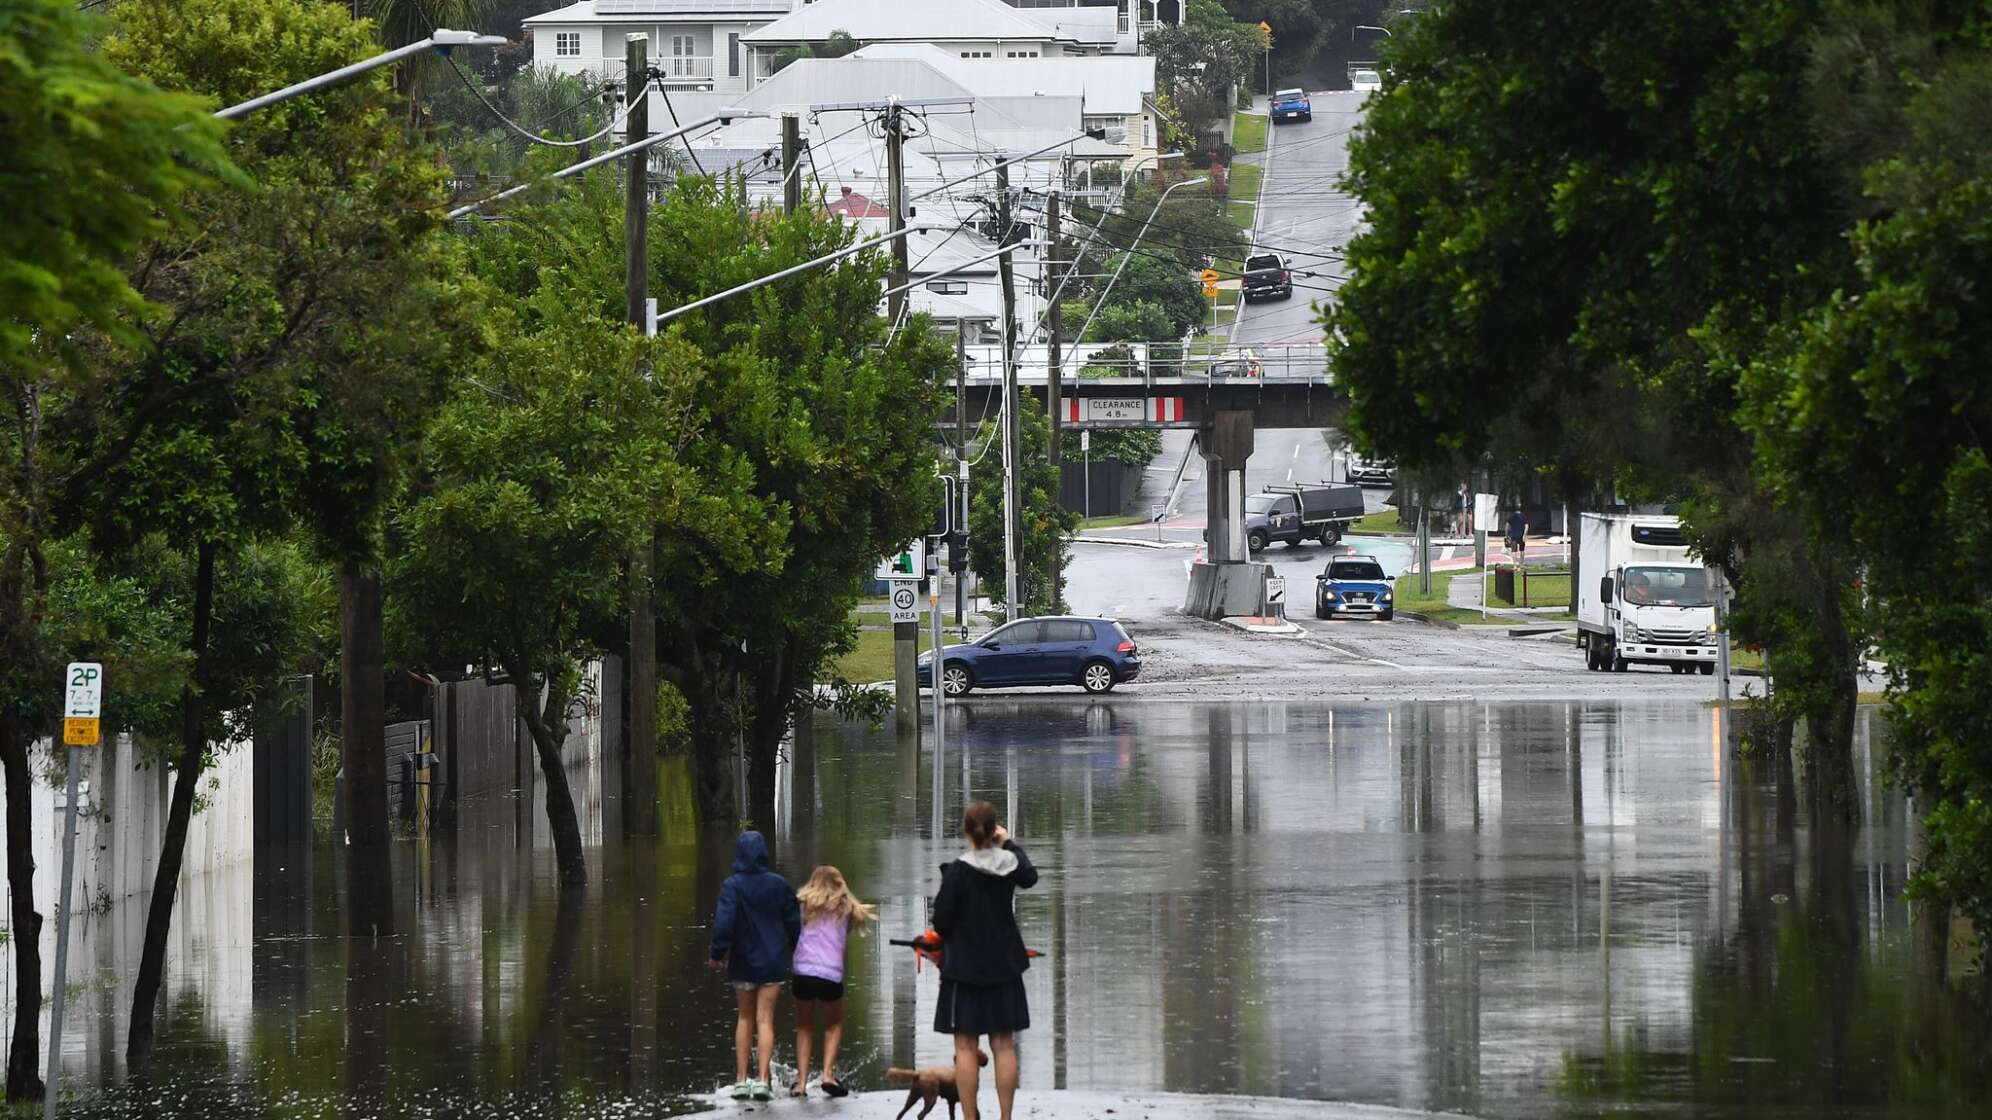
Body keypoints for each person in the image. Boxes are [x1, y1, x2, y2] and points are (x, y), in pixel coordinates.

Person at [932, 801, 1039, 1120]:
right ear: (994, 830)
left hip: (963, 969)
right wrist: (1008, 842)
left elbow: (942, 923)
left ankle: (969, 1117)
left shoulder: (957, 872)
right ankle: (1006, 1117)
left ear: (966, 830)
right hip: (1004, 965)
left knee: (965, 1046)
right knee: (1003, 1045)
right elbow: (1030, 876)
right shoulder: (1009, 865)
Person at [708, 830, 801, 1102]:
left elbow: (724, 923)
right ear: (764, 854)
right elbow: (794, 922)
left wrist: (716, 953)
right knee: (765, 1019)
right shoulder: (779, 885)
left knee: (745, 1018)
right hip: (772, 961)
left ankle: (740, 1080)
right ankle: (762, 1080)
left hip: (743, 961)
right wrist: (799, 948)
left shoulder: (732, 886)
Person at [790, 865, 874, 1098]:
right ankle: (828, 1075)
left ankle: (801, 1082)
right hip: (830, 975)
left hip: (803, 972)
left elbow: (793, 929)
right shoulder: (845, 908)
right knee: (833, 1025)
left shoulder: (803, 905)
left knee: (805, 1027)